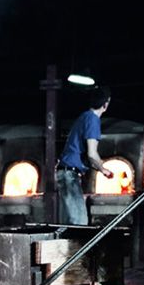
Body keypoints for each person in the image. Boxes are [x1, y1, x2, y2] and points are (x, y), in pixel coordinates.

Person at [56, 86, 114, 225]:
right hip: (69, 174)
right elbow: (92, 154)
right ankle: (76, 247)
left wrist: (100, 165)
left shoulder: (84, 116)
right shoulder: (93, 120)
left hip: (65, 173)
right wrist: (104, 170)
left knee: (70, 222)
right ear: (106, 104)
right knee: (79, 221)